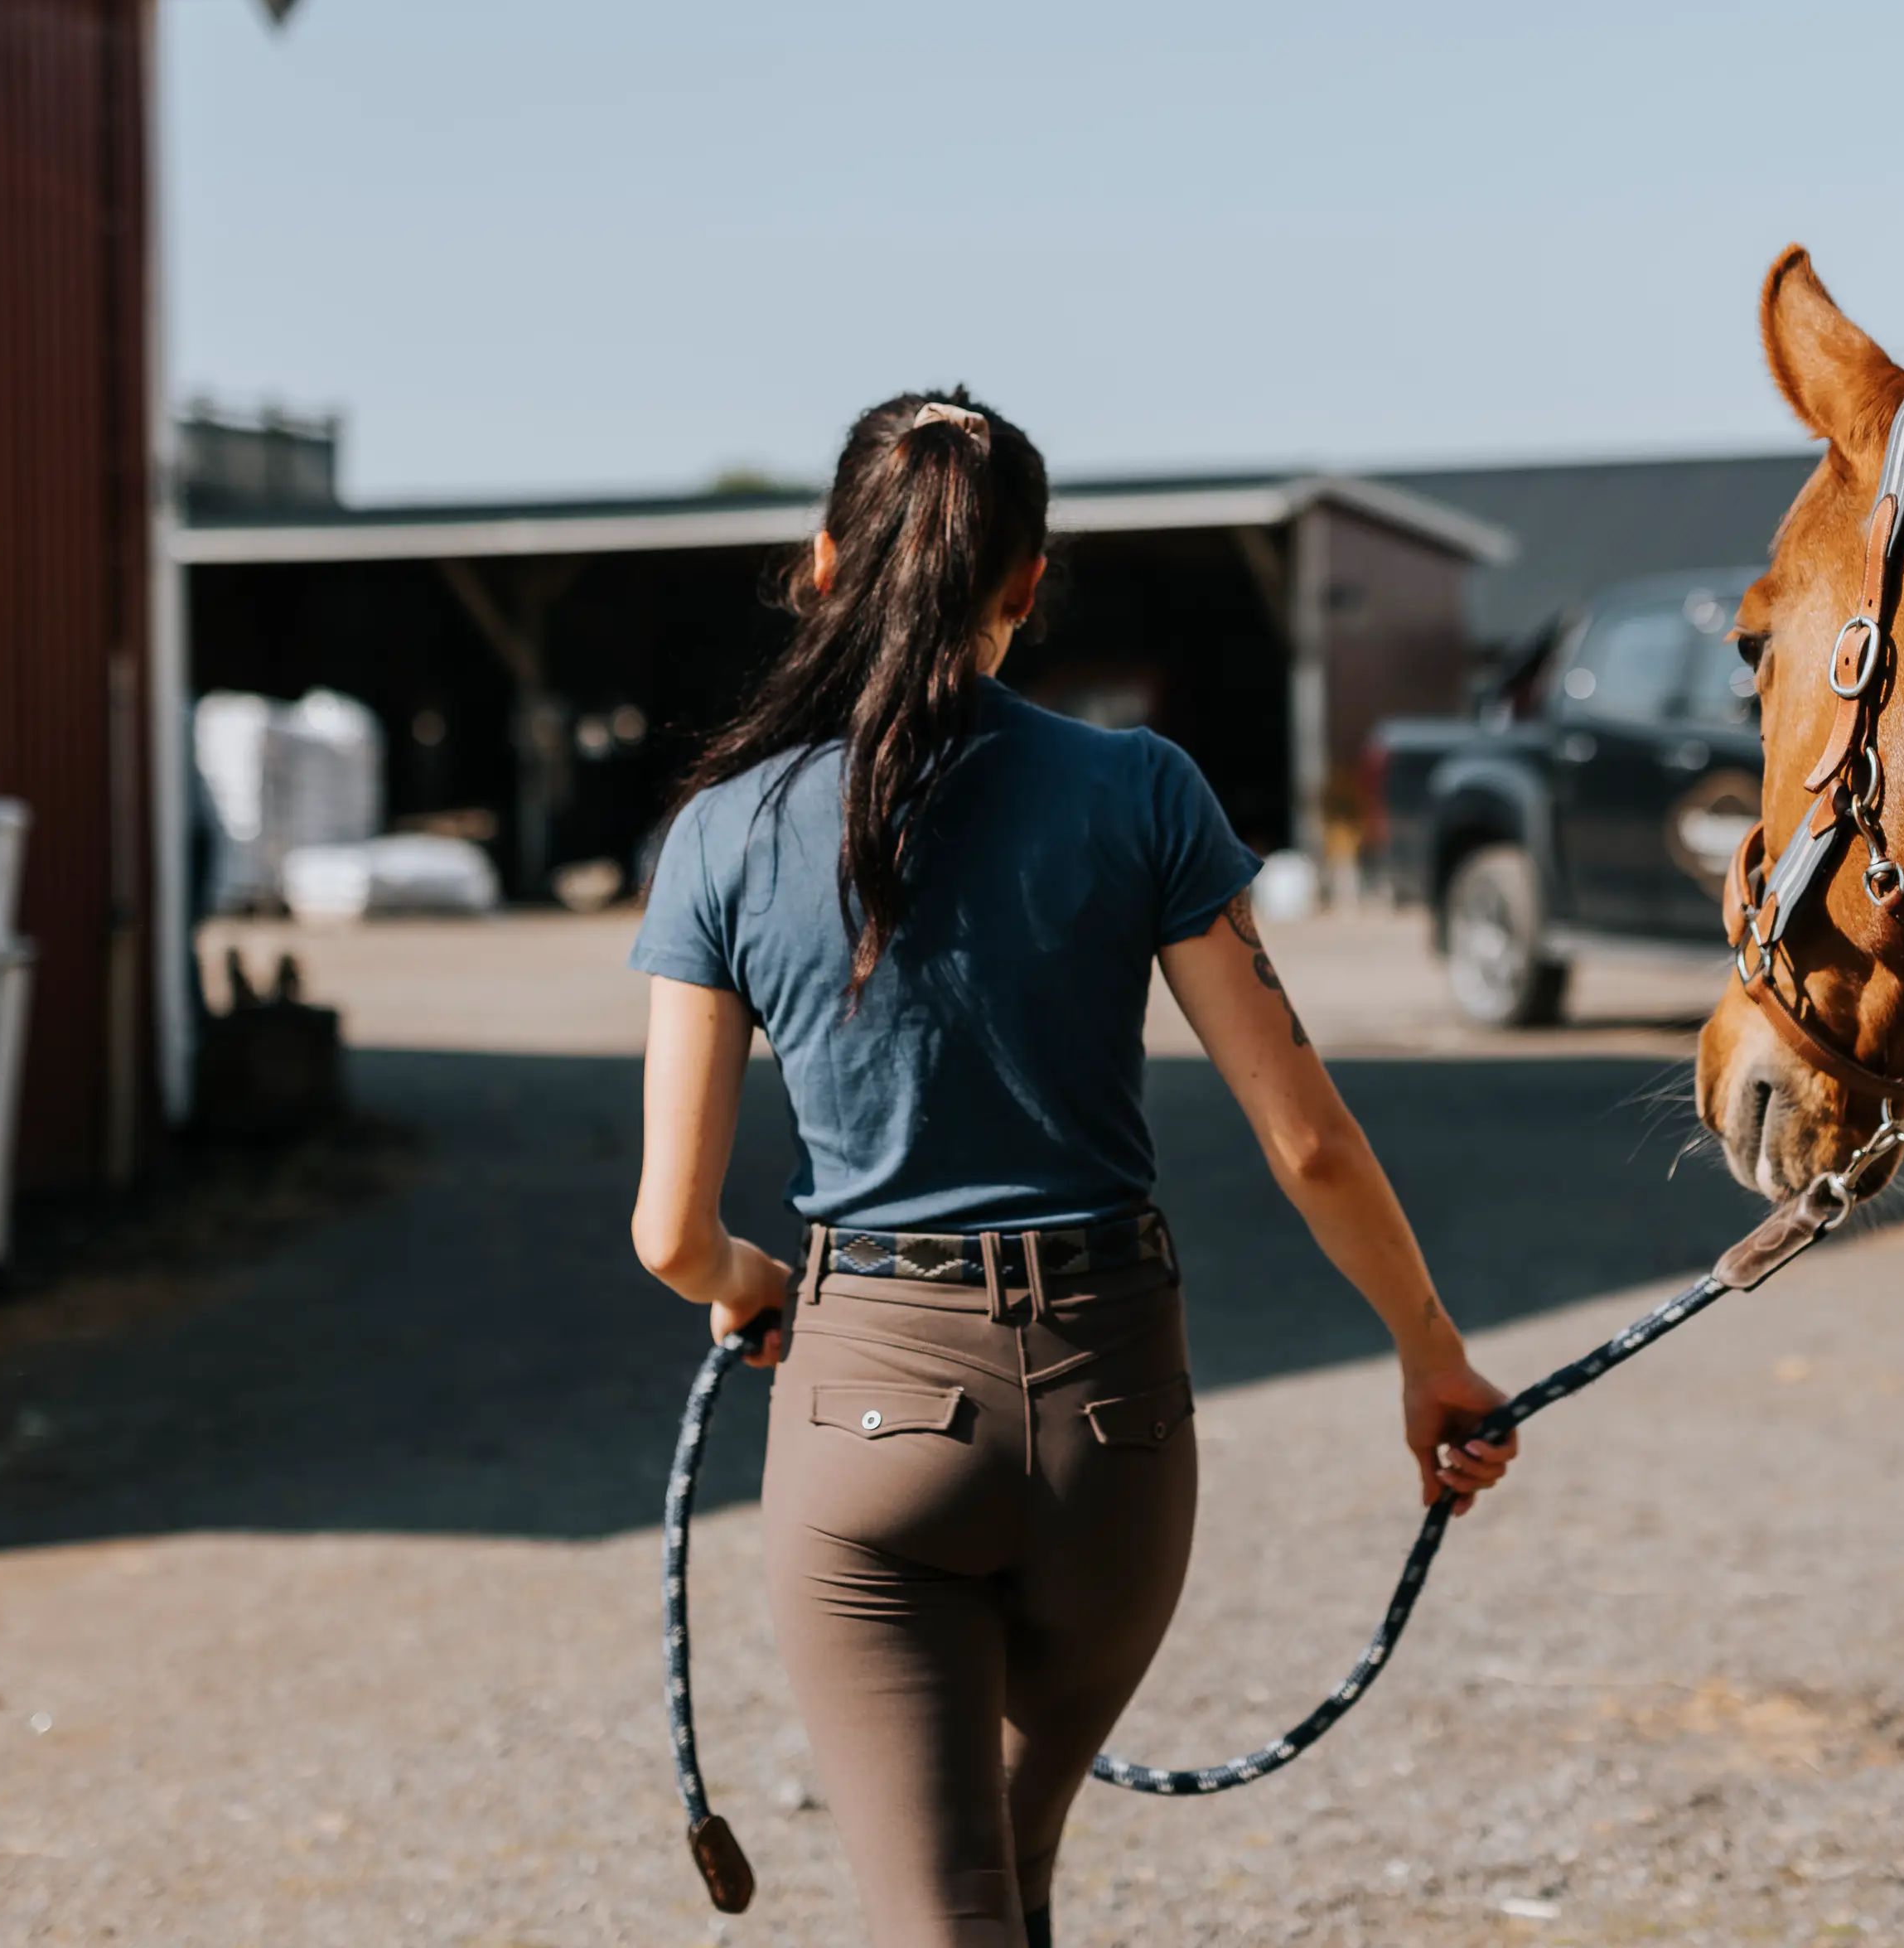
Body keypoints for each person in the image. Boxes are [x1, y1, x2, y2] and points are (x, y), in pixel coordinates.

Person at [628, 389, 1517, 1948]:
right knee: (1005, 1880)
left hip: (866, 1409)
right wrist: (1429, 1355)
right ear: (1028, 582)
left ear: (825, 562)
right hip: (1116, 1418)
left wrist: (750, 1286)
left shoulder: (721, 830)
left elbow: (667, 1233)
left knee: (948, 1907)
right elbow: (1306, 1136)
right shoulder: (1143, 794)